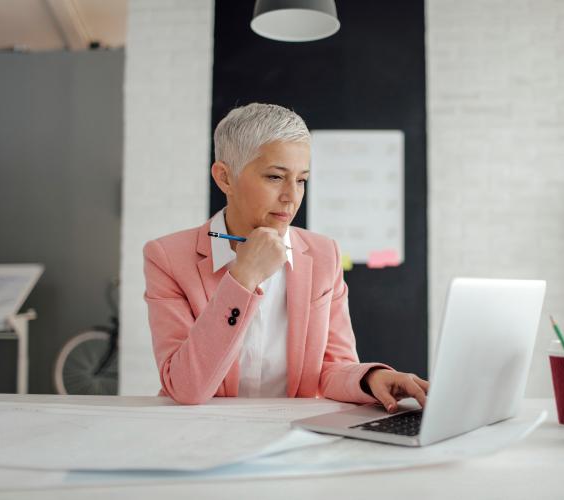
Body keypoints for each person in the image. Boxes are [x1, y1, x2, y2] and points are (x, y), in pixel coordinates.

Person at [143, 103, 429, 411]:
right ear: (225, 178)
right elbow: (186, 387)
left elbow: (331, 368)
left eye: (301, 179)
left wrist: (370, 378)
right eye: (275, 177)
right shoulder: (168, 258)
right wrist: (243, 278)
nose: (291, 197)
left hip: (288, 435)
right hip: (198, 437)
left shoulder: (323, 255)